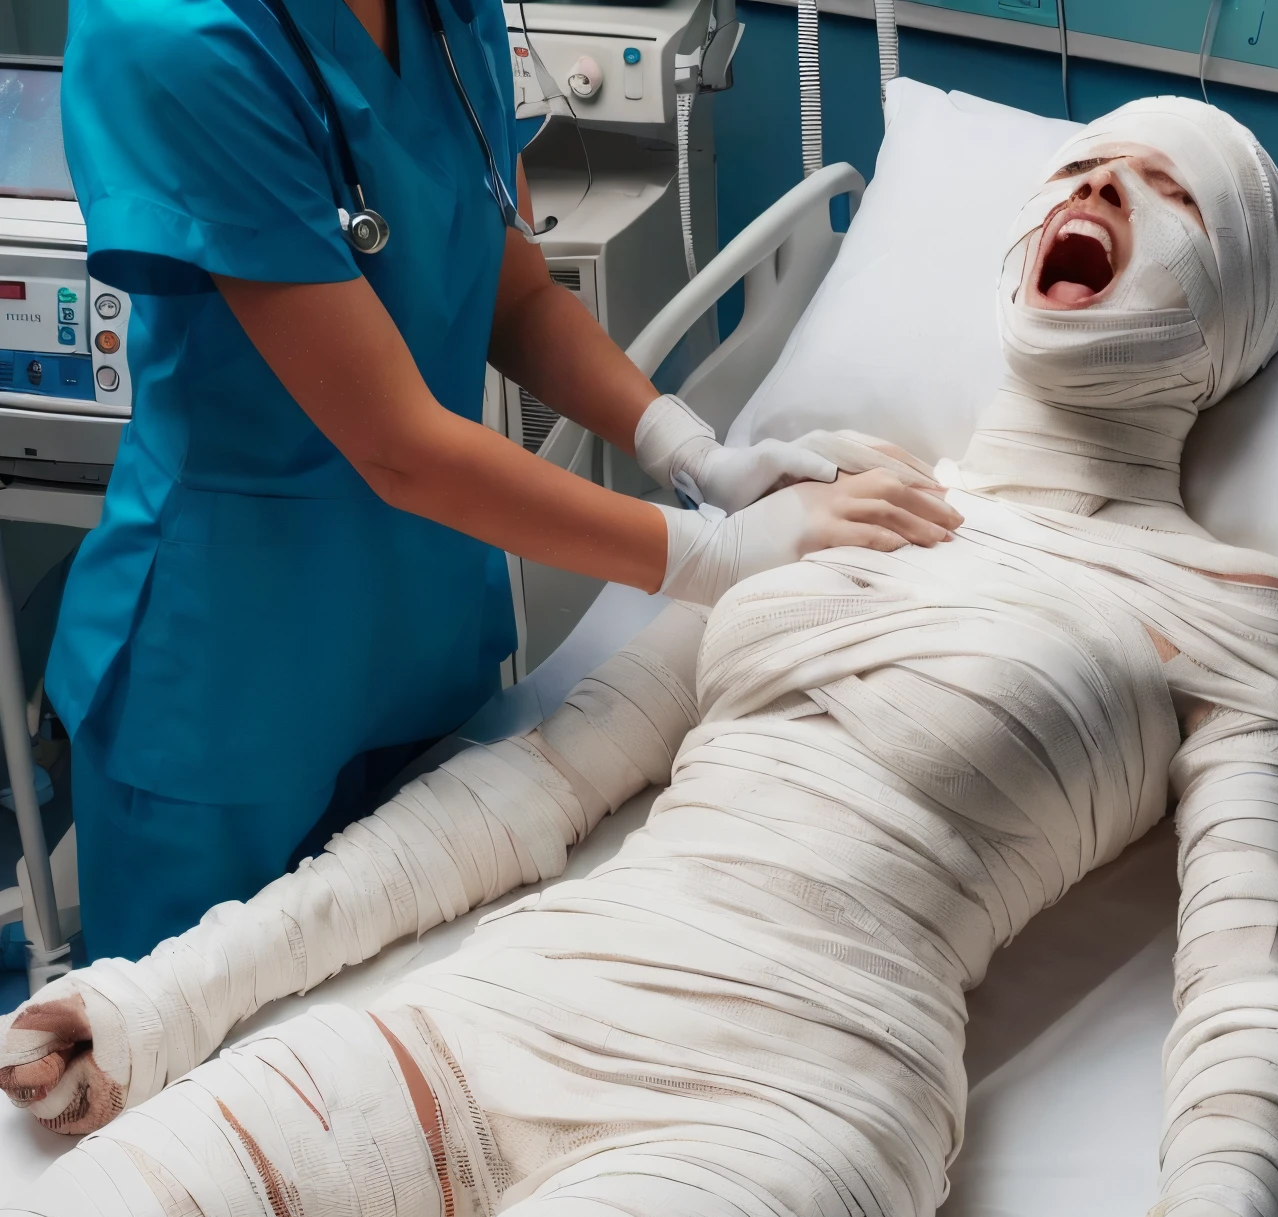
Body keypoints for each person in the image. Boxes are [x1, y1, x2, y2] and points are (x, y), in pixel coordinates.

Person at [0, 98, 1278, 1217]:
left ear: (1234, 299)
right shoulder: (834, 504)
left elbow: (1250, 1000)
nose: (1103, 194)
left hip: (787, 1123)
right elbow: (533, 786)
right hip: (520, 997)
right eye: (1082, 170)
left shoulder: (1232, 617)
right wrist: (175, 993)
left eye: (1161, 193)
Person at [51, 0, 954, 963]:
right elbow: (396, 443)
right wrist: (712, 555)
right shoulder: (174, 38)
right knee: (184, 1063)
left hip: (419, 641)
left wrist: (688, 449)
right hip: (228, 690)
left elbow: (512, 291)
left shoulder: (447, 13)